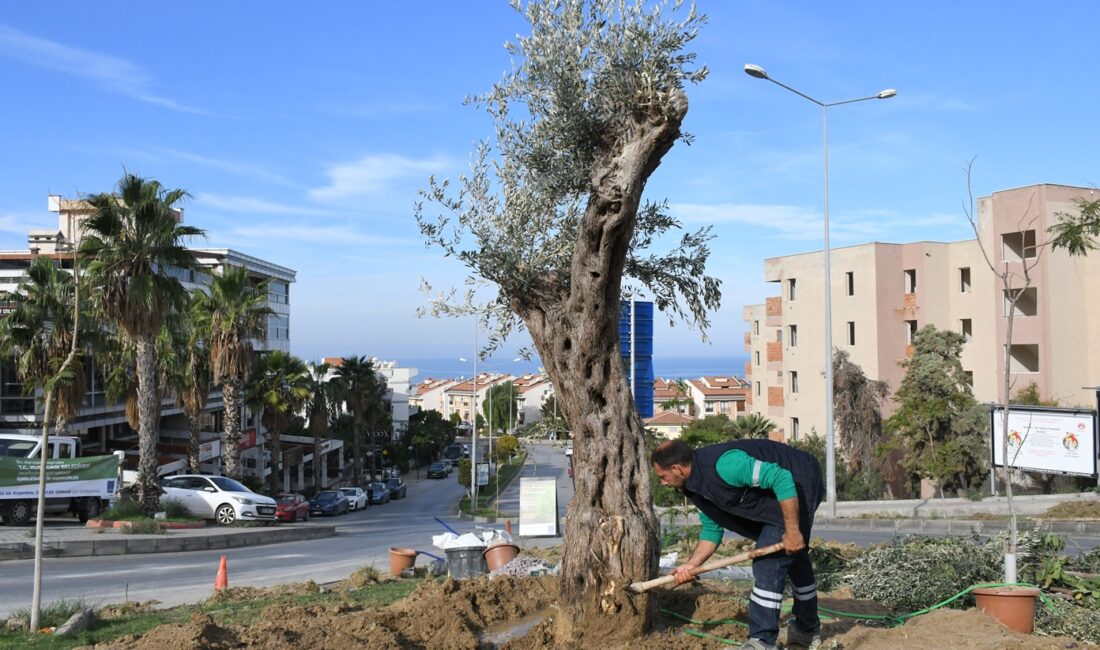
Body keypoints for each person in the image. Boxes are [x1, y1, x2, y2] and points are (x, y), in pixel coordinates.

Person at [651, 438, 824, 650]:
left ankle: (762, 641)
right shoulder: (694, 488)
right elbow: (711, 530)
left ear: (677, 469)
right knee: (794, 559)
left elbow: (782, 477)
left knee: (768, 562)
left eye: (663, 477)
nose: (663, 483)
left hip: (799, 480)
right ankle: (806, 630)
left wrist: (793, 530)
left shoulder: (724, 465)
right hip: (775, 496)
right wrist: (691, 565)